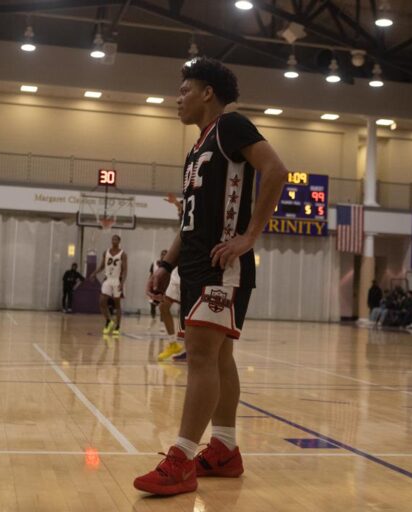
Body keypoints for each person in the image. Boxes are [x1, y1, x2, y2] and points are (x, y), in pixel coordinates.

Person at [134, 57, 287, 496]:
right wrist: (166, 264)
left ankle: (181, 458)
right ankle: (224, 448)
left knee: (201, 356)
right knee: (218, 359)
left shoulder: (231, 126)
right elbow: (190, 221)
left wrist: (248, 237)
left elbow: (276, 171)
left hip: (225, 264)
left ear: (206, 93)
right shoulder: (196, 147)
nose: (176, 99)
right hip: (197, 263)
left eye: (184, 91)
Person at [90, 235, 127, 335]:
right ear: (111, 241)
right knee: (102, 302)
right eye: (113, 239)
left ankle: (118, 326)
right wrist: (94, 273)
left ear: (119, 241)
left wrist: (122, 283)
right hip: (108, 279)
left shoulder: (123, 254)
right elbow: (102, 266)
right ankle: (108, 320)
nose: (114, 240)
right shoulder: (106, 252)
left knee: (117, 304)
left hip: (116, 280)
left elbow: (124, 270)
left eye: (116, 239)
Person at [149, 250, 168, 324]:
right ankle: (153, 319)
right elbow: (150, 275)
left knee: (162, 305)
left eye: (165, 254)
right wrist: (149, 285)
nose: (164, 255)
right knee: (152, 304)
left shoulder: (169, 265)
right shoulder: (154, 263)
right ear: (160, 255)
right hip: (154, 286)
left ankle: (162, 323)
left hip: (164, 287)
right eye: (162, 254)